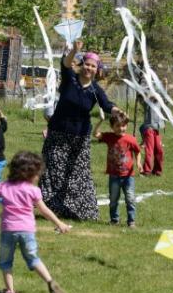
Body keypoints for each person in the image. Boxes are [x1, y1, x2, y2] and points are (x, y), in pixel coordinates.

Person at [0, 151, 71, 293]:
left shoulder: (3, 186)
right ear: (28, 174)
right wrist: (59, 223)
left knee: (5, 262)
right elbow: (44, 210)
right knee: (33, 259)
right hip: (27, 230)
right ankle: (49, 281)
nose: (38, 177)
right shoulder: (33, 190)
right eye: (37, 173)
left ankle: (10, 291)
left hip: (8, 230)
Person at [41, 41, 118, 220]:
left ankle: (80, 211)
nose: (89, 68)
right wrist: (75, 50)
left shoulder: (95, 90)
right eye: (86, 64)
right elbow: (66, 64)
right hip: (57, 133)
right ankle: (51, 209)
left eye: (93, 66)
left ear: (96, 69)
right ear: (82, 65)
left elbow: (107, 105)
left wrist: (116, 110)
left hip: (79, 138)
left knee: (78, 173)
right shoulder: (70, 79)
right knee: (52, 170)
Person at [94, 110, 142, 227]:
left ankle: (131, 221)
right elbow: (95, 134)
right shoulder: (109, 137)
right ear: (112, 127)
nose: (121, 128)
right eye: (118, 126)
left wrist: (139, 163)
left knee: (130, 199)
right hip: (114, 176)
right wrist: (100, 121)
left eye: (124, 126)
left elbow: (138, 152)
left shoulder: (131, 139)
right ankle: (114, 220)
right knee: (113, 199)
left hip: (128, 176)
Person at [139, 94, 164, 176]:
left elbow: (165, 96)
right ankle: (146, 170)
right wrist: (148, 96)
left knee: (159, 150)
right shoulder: (147, 102)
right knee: (149, 150)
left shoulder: (160, 102)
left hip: (157, 129)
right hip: (149, 129)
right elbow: (140, 96)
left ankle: (157, 171)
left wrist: (165, 85)